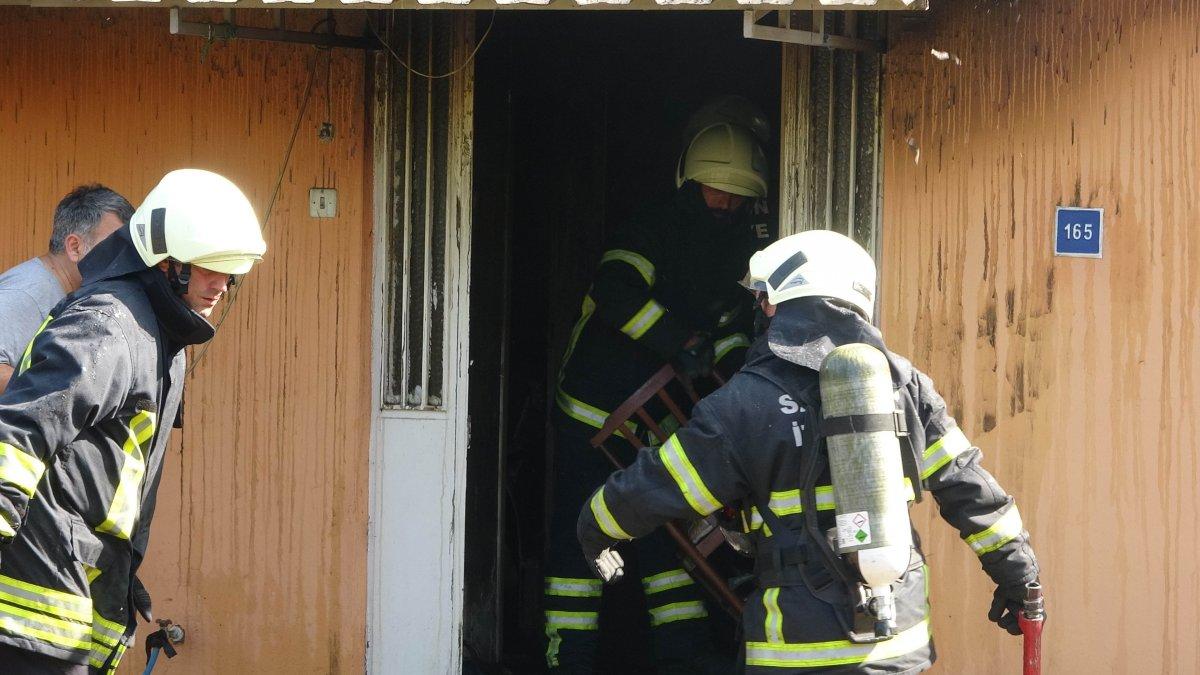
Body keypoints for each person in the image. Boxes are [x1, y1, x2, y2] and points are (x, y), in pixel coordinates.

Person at [578, 230, 1041, 674]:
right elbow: (970, 489)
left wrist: (596, 525)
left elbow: (660, 486)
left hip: (797, 648)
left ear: (776, 302)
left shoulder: (742, 404)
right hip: (894, 639)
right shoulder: (904, 384)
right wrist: (1020, 579)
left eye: (762, 297)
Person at [0, 169, 267, 674]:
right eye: (211, 267)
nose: (223, 285)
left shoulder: (159, 338)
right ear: (168, 261)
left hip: (67, 603)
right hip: (29, 613)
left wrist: (120, 571)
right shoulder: (108, 326)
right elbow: (18, 431)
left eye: (233, 271)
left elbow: (106, 477)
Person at [544, 120, 770, 674]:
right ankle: (566, 659)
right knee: (581, 538)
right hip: (592, 413)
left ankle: (686, 658)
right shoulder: (652, 227)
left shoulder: (737, 250)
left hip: (656, 422)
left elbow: (735, 327)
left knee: (662, 543)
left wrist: (728, 364)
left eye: (736, 194)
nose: (725, 201)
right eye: (716, 187)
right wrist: (676, 341)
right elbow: (614, 293)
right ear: (688, 183)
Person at [0, 184, 131, 394]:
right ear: (75, 247)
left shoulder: (68, 290)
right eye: (112, 246)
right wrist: (66, 391)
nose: (121, 258)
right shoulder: (26, 294)